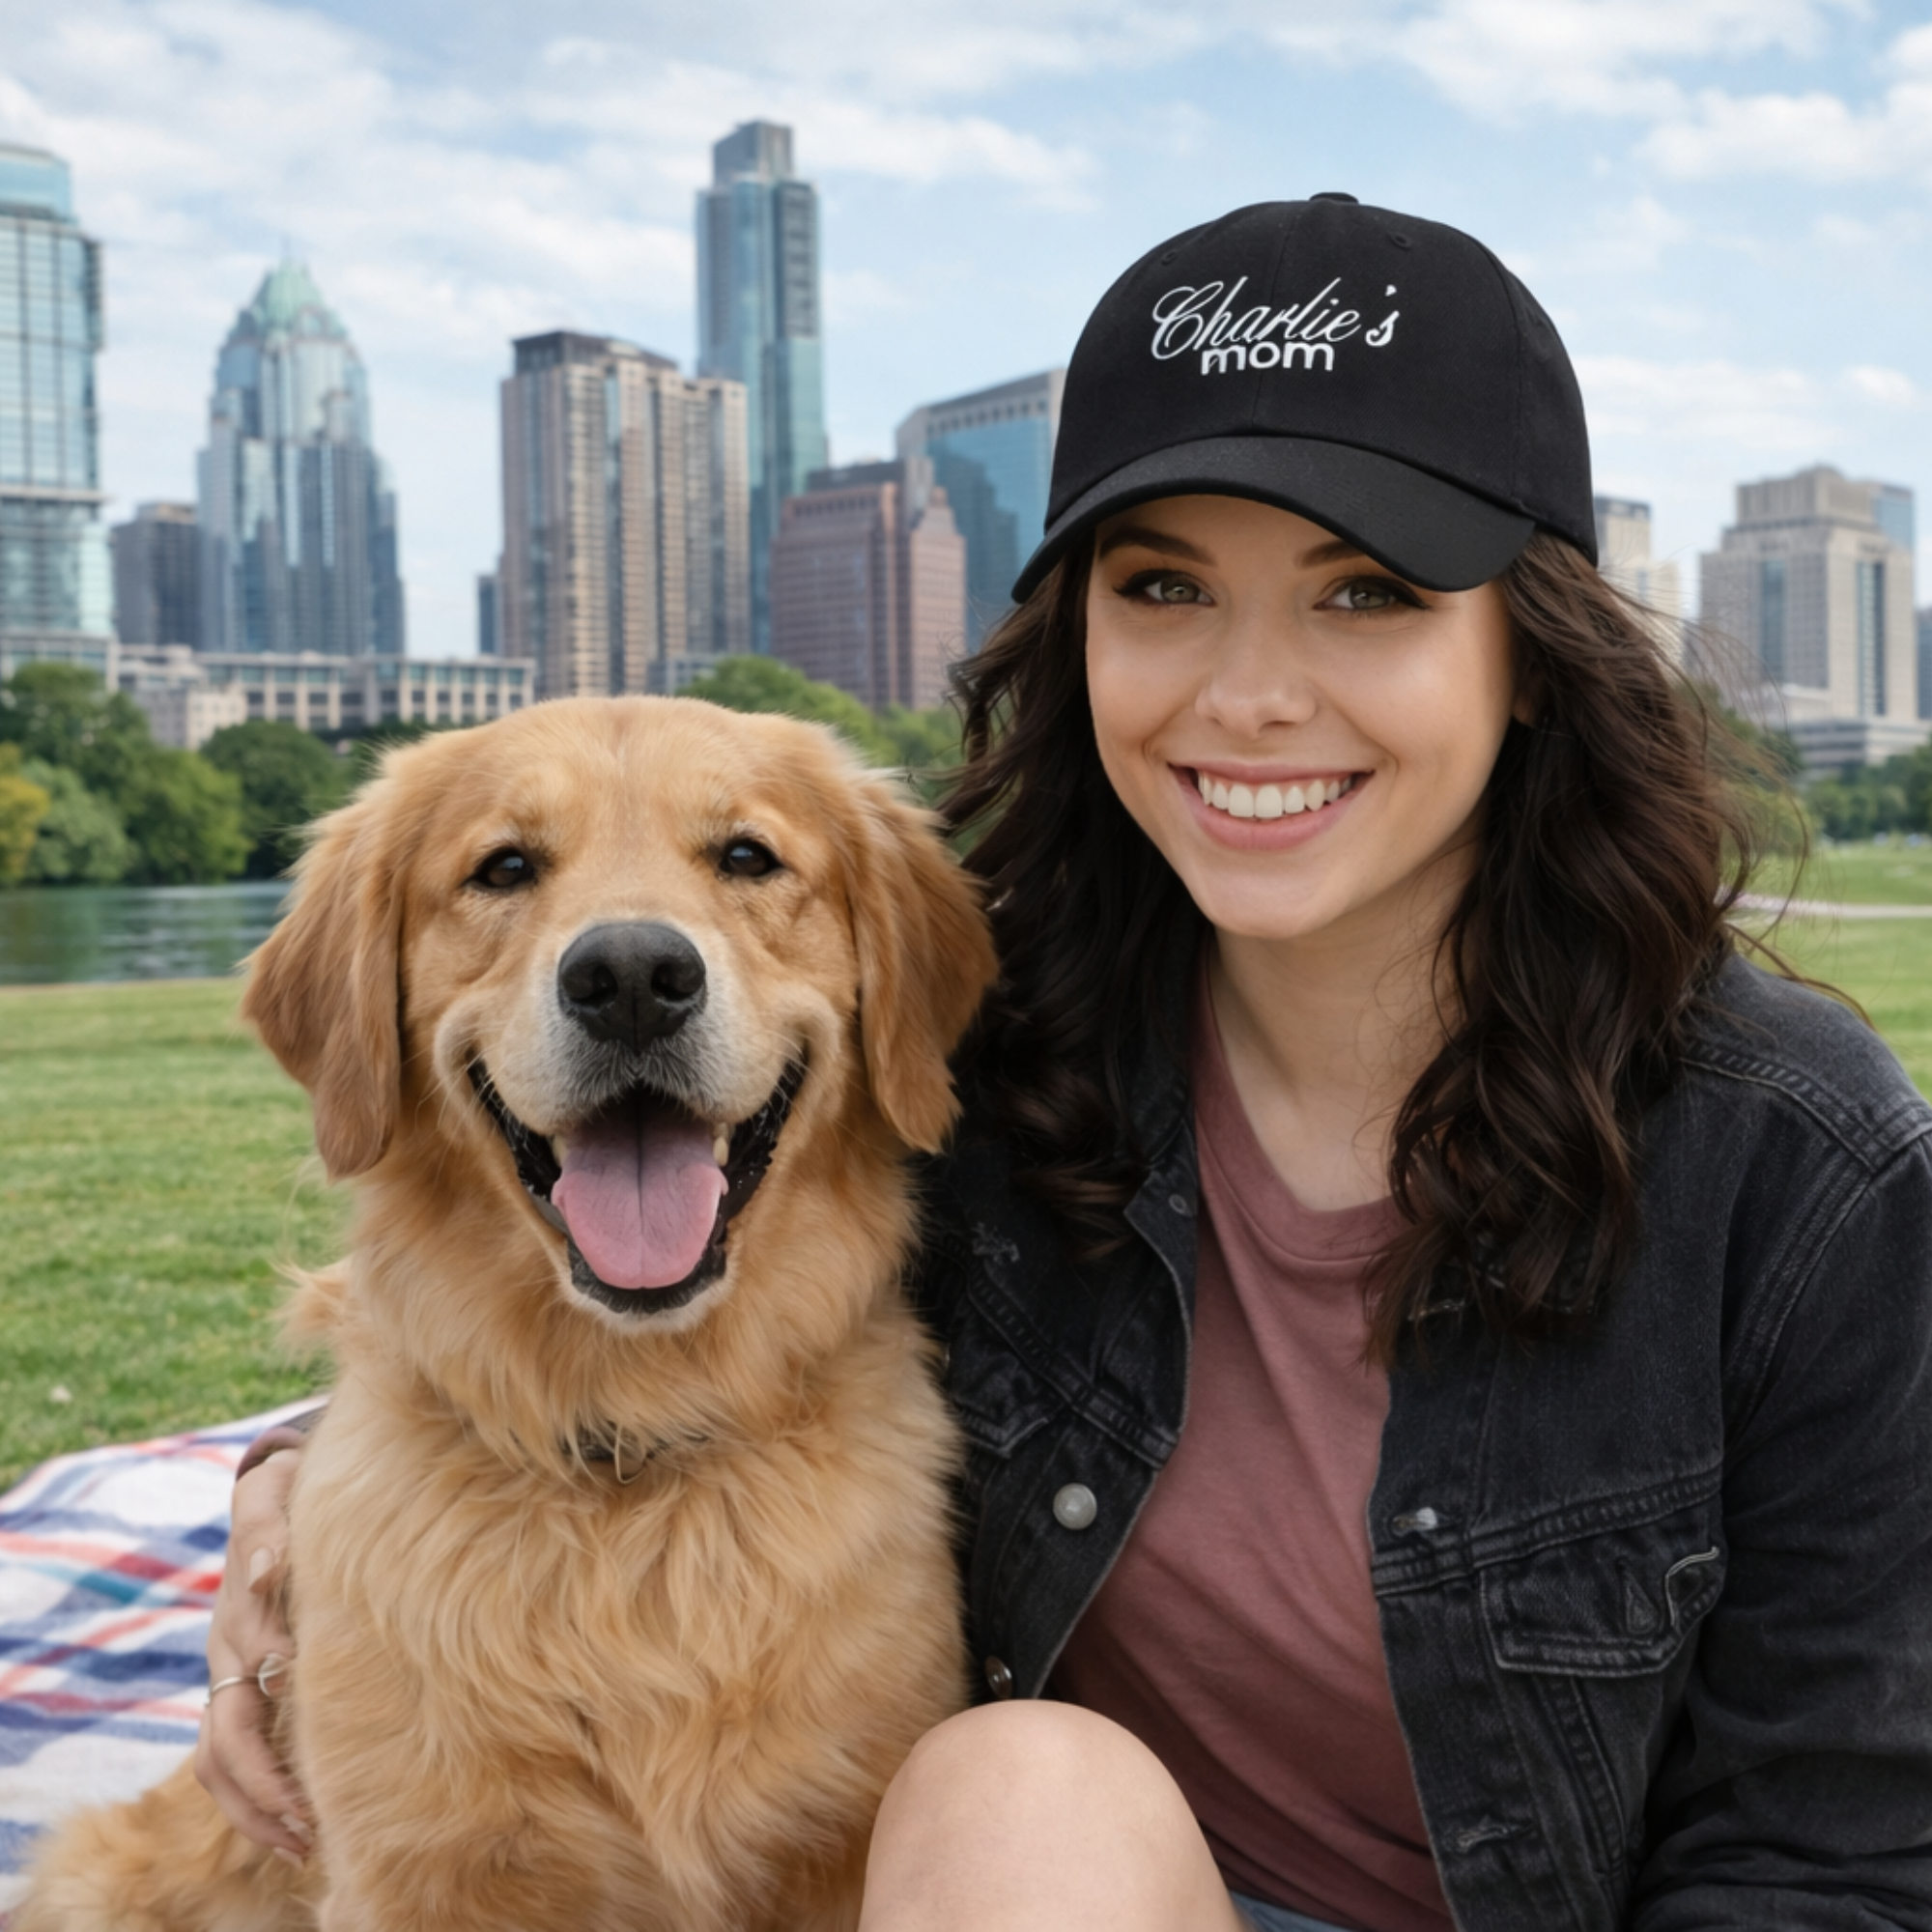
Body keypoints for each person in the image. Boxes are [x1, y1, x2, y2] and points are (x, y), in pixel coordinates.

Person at [199, 196, 1932, 1931]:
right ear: (1077, 635)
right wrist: (296, 1493)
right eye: (1165, 586)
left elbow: (1829, 1861)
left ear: (1531, 654)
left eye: (1368, 593)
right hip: (1081, 1894)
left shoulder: (1804, 1172)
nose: (1251, 696)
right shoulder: (965, 1043)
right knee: (1019, 1787)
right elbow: (575, 1275)